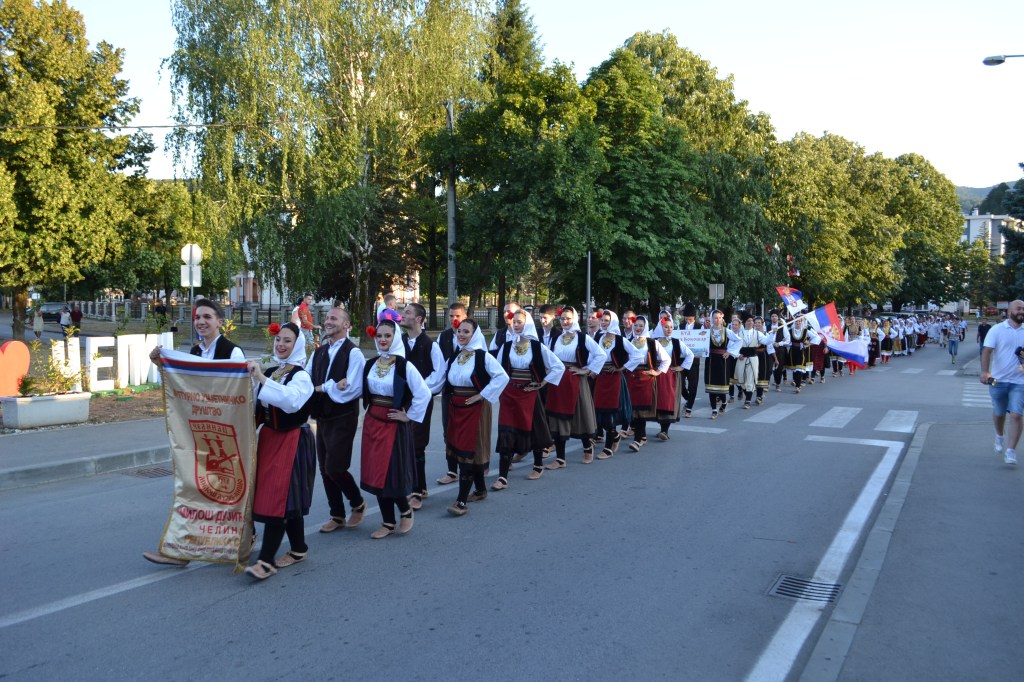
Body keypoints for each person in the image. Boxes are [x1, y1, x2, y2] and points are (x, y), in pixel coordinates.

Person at [142, 297, 245, 567]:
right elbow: (184, 387)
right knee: (194, 489)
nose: (201, 321)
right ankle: (183, 549)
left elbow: (239, 393)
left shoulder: (233, 352)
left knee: (227, 492)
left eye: (207, 317)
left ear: (220, 321)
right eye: (198, 317)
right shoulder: (195, 352)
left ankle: (239, 539)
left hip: (226, 434)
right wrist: (162, 365)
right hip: (198, 433)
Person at [243, 322, 316, 580]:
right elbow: (256, 404)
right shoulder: (273, 371)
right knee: (286, 497)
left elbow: (290, 401)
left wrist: (261, 379)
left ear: (297, 345)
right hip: (270, 438)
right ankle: (299, 548)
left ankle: (266, 561)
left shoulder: (301, 376)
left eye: (287, 340)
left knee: (279, 499)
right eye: (278, 340)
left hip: (292, 439)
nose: (281, 345)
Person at [359, 318, 431, 538]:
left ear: (396, 337)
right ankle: (388, 522)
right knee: (375, 472)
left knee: (391, 473)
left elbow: (424, 393)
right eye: (379, 336)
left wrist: (408, 416)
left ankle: (405, 510)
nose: (382, 340)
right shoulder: (371, 364)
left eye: (387, 336)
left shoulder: (404, 365)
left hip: (393, 425)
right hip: (373, 422)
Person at [306, 306, 368, 534]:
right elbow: (306, 380)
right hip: (323, 416)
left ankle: (357, 502)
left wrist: (322, 387)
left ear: (346, 325)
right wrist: (331, 385)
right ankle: (337, 515)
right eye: (327, 318)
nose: (328, 321)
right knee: (325, 468)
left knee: (335, 467)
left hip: (343, 416)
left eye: (334, 318)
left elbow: (352, 389)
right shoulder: (319, 352)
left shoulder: (354, 353)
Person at [444, 319, 509, 516]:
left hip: (476, 407)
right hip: (457, 406)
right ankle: (480, 490)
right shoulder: (456, 355)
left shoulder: (482, 356)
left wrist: (482, 395)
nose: (461, 334)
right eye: (459, 331)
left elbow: (502, 376)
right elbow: (442, 379)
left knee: (471, 449)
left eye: (466, 332)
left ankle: (461, 501)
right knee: (461, 448)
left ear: (475, 334)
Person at [493, 310, 564, 487]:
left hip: (529, 394)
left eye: (520, 322)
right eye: (514, 322)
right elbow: (498, 370)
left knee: (534, 430)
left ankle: (538, 465)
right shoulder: (507, 346)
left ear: (528, 324)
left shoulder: (537, 347)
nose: (516, 325)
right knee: (506, 431)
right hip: (510, 394)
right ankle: (502, 476)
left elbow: (558, 366)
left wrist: (542, 383)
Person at [544, 307, 607, 467]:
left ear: (575, 319)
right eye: (562, 319)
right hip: (558, 381)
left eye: (568, 319)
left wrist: (586, 370)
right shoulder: (556, 338)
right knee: (557, 418)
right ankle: (560, 458)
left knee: (581, 416)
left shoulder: (582, 338)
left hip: (575, 381)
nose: (565, 322)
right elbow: (549, 357)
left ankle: (587, 448)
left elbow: (601, 354)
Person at [400, 302, 445, 509]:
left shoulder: (430, 345)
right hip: (401, 399)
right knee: (403, 442)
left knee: (417, 443)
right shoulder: (399, 342)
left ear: (418, 319)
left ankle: (417, 492)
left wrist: (420, 389)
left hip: (420, 400)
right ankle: (420, 486)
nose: (402, 315)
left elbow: (439, 374)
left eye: (407, 312)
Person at [592, 310, 642, 458]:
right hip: (601, 378)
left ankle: (608, 448)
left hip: (614, 380)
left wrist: (622, 368)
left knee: (610, 413)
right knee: (599, 412)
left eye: (606, 320)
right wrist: (591, 369)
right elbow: (592, 355)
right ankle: (615, 436)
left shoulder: (620, 340)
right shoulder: (598, 337)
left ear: (612, 322)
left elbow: (637, 355)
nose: (603, 323)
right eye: (602, 320)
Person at [980, 299, 1024, 466]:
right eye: (1018, 308)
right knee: (999, 412)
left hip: (1020, 382)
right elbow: (987, 351)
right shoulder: (997, 329)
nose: (1022, 311)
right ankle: (999, 435)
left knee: (1016, 414)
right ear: (1009, 311)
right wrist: (985, 372)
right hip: (998, 380)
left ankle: (1011, 451)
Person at [624, 315, 670, 451]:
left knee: (641, 411)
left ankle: (637, 440)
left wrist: (656, 372)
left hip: (645, 379)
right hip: (631, 378)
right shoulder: (629, 341)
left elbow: (666, 359)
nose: (638, 328)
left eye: (641, 326)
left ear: (645, 327)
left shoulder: (652, 342)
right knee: (633, 410)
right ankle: (642, 436)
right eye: (636, 325)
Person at [436, 302, 468, 486]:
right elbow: (438, 363)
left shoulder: (472, 336)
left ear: (465, 317)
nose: (454, 319)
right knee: (448, 428)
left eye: (458, 316)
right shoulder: (444, 336)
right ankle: (452, 470)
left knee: (465, 430)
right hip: (448, 389)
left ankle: (470, 467)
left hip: (466, 391)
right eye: (451, 316)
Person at [653, 315, 693, 437]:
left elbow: (690, 354)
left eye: (671, 327)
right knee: (657, 401)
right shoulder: (654, 341)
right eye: (666, 327)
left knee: (668, 401)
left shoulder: (676, 342)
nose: (669, 329)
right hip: (657, 375)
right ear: (661, 328)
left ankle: (664, 430)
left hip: (671, 376)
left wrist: (681, 367)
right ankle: (660, 428)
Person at [678, 304, 703, 417]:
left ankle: (689, 408)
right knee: (681, 384)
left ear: (694, 317)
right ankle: (688, 399)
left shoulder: (699, 327)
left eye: (690, 319)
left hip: (694, 360)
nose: (688, 321)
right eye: (686, 318)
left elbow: (702, 342)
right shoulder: (680, 326)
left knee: (693, 385)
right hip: (682, 359)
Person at [705, 310, 730, 419]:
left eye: (719, 318)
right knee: (712, 385)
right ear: (712, 319)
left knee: (721, 385)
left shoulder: (726, 331)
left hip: (723, 360)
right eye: (715, 318)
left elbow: (738, 341)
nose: (718, 320)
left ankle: (724, 402)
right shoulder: (707, 332)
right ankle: (714, 410)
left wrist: (730, 352)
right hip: (711, 360)